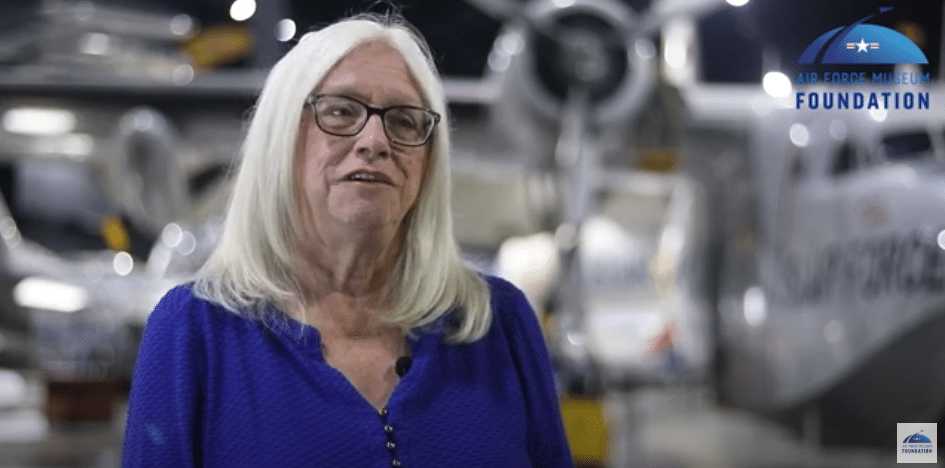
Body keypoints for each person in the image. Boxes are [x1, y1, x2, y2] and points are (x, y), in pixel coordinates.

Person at [122, 13, 574, 468]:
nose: (375, 141)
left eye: (403, 121)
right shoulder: (194, 332)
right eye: (340, 111)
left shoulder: (499, 324)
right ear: (282, 140)